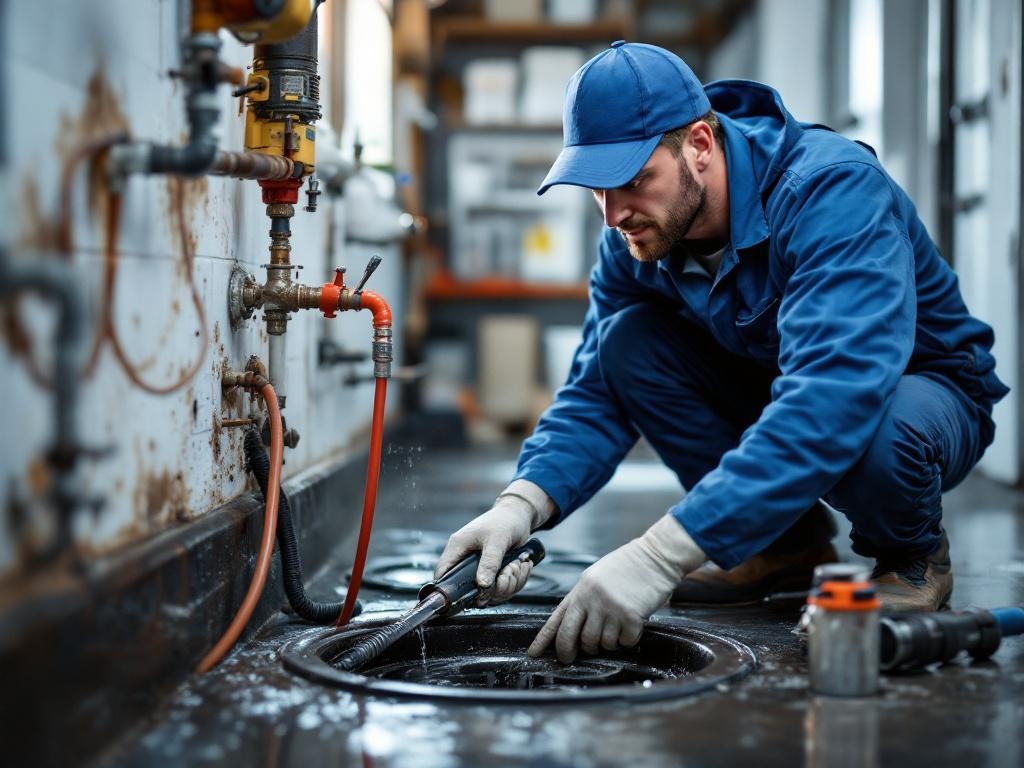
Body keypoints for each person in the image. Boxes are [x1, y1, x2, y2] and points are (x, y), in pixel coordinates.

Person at [434, 41, 1009, 664]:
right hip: (782, 382)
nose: (614, 214)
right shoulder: (639, 236)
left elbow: (834, 394)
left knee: (877, 432)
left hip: (919, 393)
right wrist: (519, 507)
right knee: (625, 344)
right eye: (596, 189)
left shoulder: (828, 192)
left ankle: (913, 556)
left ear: (700, 146)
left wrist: (659, 555)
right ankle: (785, 546)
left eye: (632, 180)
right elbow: (594, 391)